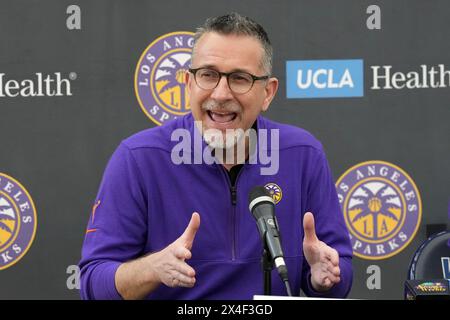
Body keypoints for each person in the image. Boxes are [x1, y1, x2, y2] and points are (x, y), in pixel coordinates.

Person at [79, 12, 353, 300]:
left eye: (239, 78)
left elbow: (339, 275)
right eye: (208, 75)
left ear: (268, 92)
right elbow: (93, 285)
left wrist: (324, 278)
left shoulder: (302, 154)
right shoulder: (138, 159)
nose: (221, 94)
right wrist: (152, 268)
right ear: (188, 83)